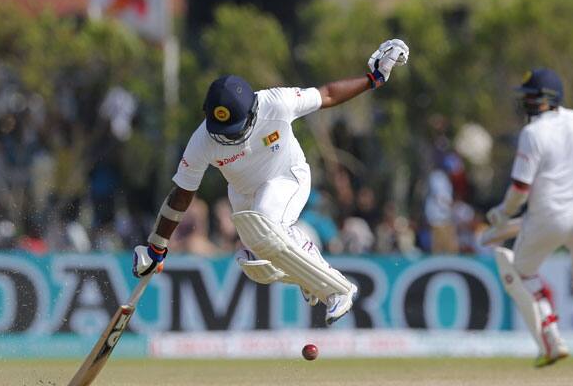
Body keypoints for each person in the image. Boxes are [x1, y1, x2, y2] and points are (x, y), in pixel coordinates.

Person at [131, 39, 409, 326]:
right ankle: (310, 276)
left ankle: (338, 289)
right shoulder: (201, 142)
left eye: (234, 129)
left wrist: (373, 79)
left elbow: (326, 95)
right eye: (222, 131)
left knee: (265, 222)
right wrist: (156, 248)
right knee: (255, 263)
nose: (229, 137)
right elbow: (181, 195)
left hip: (287, 177)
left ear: (252, 110)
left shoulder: (275, 103)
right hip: (243, 195)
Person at [486, 68, 573, 370]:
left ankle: (552, 337)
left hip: (546, 216)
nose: (527, 104)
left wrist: (502, 213)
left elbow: (520, 189)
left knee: (522, 273)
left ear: (548, 100)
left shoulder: (533, 133)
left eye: (532, 98)